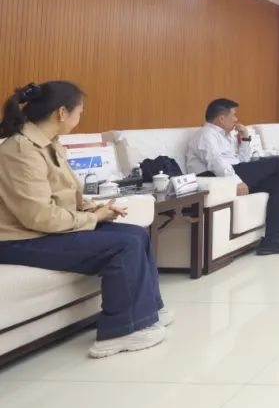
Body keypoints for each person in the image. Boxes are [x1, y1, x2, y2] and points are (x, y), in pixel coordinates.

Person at [0, 81, 172, 358]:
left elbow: (71, 194)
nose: (80, 118)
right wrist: (91, 220)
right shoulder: (20, 150)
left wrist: (96, 210)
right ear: (61, 113)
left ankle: (147, 310)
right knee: (124, 246)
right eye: (80, 112)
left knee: (137, 234)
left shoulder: (51, 144)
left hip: (44, 230)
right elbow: (38, 216)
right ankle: (121, 331)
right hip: (18, 239)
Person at [186, 98, 279, 256]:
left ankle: (273, 239)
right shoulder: (206, 134)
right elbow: (215, 163)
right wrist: (236, 181)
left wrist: (245, 138)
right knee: (276, 162)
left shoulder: (226, 135)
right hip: (216, 177)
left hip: (232, 171)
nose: (236, 119)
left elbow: (242, 160)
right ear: (221, 119)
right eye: (233, 115)